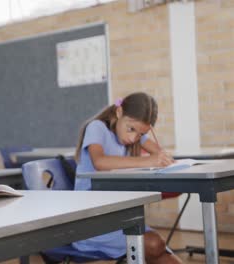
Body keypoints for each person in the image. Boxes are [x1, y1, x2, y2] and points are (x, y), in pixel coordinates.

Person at [44, 92, 182, 264]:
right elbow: (99, 162)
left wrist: (164, 158)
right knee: (154, 244)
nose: (133, 138)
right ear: (119, 112)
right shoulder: (97, 128)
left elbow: (159, 153)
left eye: (140, 134)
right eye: (130, 129)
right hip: (89, 222)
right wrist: (147, 160)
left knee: (158, 248)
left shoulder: (135, 130)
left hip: (117, 217)